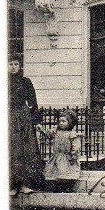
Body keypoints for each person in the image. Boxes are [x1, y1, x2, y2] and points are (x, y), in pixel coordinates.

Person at [8, 56, 44, 196]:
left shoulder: (25, 82)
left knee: (25, 150)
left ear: (20, 65)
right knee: (11, 150)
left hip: (23, 119)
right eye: (10, 64)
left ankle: (24, 185)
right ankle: (11, 185)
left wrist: (37, 121)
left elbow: (32, 102)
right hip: (7, 117)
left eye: (16, 64)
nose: (13, 67)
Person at [43, 110, 83, 192]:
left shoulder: (72, 134)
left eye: (63, 121)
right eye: (59, 121)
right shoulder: (56, 131)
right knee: (55, 172)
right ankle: (58, 187)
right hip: (57, 156)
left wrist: (73, 156)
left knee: (66, 173)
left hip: (67, 157)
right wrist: (41, 130)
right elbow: (48, 134)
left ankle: (67, 187)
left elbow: (76, 147)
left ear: (70, 122)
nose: (61, 123)